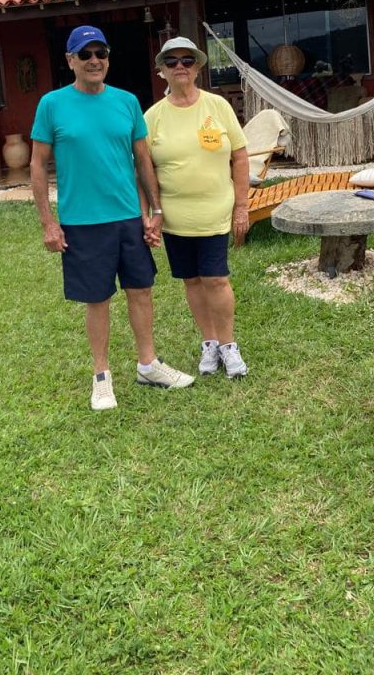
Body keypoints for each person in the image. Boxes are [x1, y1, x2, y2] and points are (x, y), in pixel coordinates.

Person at [29, 25, 195, 411]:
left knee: (141, 289)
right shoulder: (52, 104)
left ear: (108, 58)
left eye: (100, 53)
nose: (94, 61)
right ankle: (101, 376)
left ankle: (148, 364)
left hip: (128, 217)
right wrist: (48, 222)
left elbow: (142, 159)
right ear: (70, 60)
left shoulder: (126, 102)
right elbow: (37, 165)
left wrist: (154, 211)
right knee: (97, 298)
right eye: (85, 54)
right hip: (82, 222)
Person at [144, 36, 250, 379]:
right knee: (191, 281)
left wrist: (242, 207)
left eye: (187, 60)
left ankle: (228, 344)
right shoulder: (152, 117)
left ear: (198, 67)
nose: (180, 67)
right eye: (171, 61)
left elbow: (240, 156)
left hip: (215, 212)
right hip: (175, 218)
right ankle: (210, 342)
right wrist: (151, 214)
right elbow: (143, 170)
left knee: (216, 279)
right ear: (162, 70)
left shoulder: (217, 106)